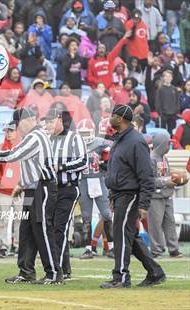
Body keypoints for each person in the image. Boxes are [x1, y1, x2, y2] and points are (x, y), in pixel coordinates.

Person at [0, 108, 62, 285]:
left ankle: (53, 273)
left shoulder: (35, 137)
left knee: (42, 229)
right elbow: (31, 165)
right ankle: (26, 271)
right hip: (33, 187)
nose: (17, 129)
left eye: (18, 125)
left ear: (26, 121)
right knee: (27, 231)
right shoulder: (36, 135)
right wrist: (22, 184)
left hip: (42, 187)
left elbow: (13, 155)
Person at [100, 105, 165, 289]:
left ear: (120, 119)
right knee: (130, 236)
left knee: (120, 234)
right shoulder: (119, 139)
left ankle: (121, 277)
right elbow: (115, 170)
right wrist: (112, 195)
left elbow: (146, 175)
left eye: (113, 115)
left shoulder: (136, 141)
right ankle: (155, 272)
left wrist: (143, 204)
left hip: (130, 194)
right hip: (120, 193)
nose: (110, 117)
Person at [44, 109, 88, 280]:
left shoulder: (74, 138)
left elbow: (83, 161)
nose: (48, 125)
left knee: (58, 228)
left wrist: (61, 166)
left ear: (60, 120)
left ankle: (58, 269)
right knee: (55, 228)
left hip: (69, 188)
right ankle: (64, 268)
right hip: (53, 189)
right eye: (46, 122)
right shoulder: (48, 140)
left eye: (50, 121)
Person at [75, 118, 114, 260]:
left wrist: (106, 162)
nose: (84, 136)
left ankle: (111, 247)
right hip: (83, 182)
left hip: (100, 180)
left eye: (87, 133)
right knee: (86, 216)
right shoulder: (75, 145)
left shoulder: (100, 142)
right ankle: (88, 249)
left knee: (106, 214)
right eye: (82, 133)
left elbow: (115, 148)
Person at [148, 131, 183, 259]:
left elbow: (166, 176)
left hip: (167, 195)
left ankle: (173, 249)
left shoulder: (164, 158)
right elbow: (149, 180)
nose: (169, 146)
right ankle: (156, 250)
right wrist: (168, 181)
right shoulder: (151, 159)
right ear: (161, 144)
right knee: (155, 224)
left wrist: (178, 181)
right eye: (168, 144)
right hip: (155, 197)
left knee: (170, 222)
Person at [0, 121, 22, 257]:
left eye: (11, 131)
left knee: (19, 219)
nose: (9, 133)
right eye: (7, 131)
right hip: (4, 190)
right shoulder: (2, 148)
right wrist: (1, 181)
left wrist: (21, 184)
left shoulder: (22, 147)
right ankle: (3, 246)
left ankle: (17, 245)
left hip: (19, 190)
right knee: (3, 219)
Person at [155, 70, 180, 135]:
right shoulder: (160, 89)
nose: (168, 78)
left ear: (172, 78)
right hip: (163, 114)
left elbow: (177, 101)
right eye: (166, 76)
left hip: (173, 114)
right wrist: (160, 113)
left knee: (171, 132)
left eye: (170, 76)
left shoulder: (174, 89)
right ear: (163, 78)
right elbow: (158, 102)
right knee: (163, 132)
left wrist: (176, 111)